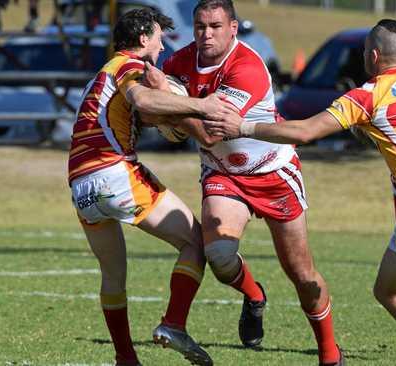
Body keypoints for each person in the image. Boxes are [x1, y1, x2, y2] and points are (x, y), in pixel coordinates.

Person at [205, 19, 396, 366]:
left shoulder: (368, 94)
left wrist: (243, 126)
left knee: (389, 290)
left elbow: (305, 131)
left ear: (372, 56)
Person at [150, 1, 344, 364]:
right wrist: (164, 105)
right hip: (223, 171)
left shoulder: (247, 67)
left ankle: (329, 354)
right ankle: (255, 296)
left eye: (216, 26)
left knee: (301, 274)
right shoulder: (177, 63)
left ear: (234, 28)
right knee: (220, 257)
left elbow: (209, 131)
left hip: (273, 171)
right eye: (200, 26)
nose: (207, 34)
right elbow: (166, 122)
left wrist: (170, 101)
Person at [67, 8, 241, 366]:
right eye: (160, 38)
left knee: (113, 277)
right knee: (196, 242)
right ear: (144, 38)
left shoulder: (101, 74)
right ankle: (173, 324)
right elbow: (143, 101)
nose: (162, 48)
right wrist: (199, 105)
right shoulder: (130, 66)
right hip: (114, 173)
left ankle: (125, 358)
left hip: (80, 184)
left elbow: (130, 115)